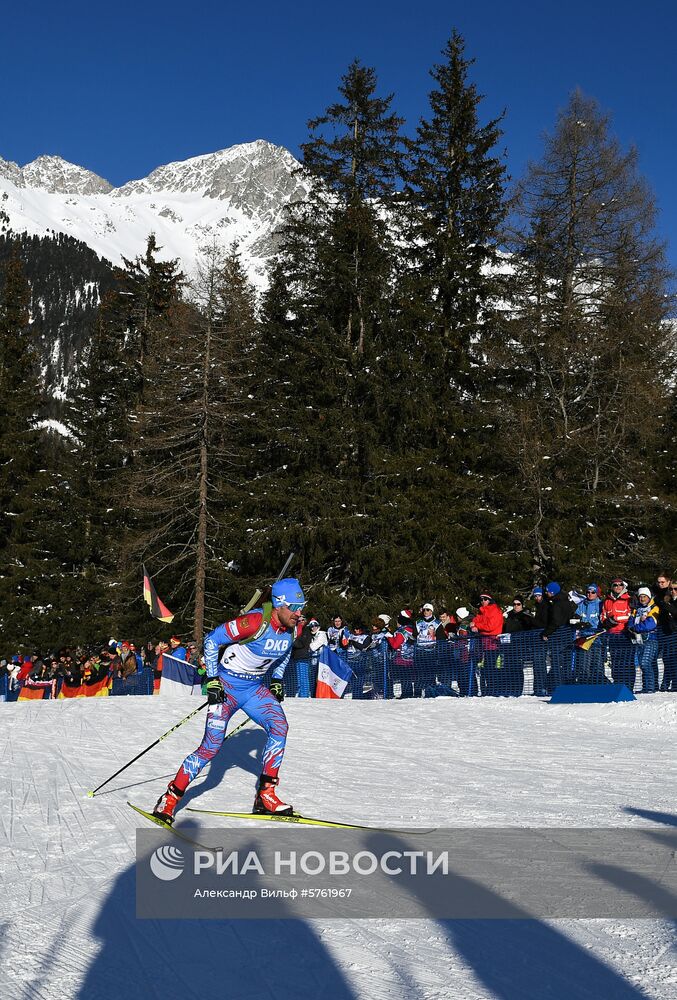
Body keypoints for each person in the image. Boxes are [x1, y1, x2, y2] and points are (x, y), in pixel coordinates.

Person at [152, 578, 306, 825]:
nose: (299, 614)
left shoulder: (293, 627)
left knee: (280, 727)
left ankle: (266, 796)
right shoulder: (255, 621)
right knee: (210, 748)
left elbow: (285, 652)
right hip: (227, 688)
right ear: (279, 604)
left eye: (302, 608)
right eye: (295, 608)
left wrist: (277, 679)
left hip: (253, 689)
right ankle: (170, 798)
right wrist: (212, 679)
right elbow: (213, 640)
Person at [541, 582, 576, 690]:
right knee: (566, 663)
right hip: (568, 635)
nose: (546, 593)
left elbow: (555, 621)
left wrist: (546, 632)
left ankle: (558, 687)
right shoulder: (567, 601)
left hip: (558, 637)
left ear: (552, 592)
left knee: (557, 663)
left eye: (547, 591)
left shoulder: (557, 603)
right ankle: (566, 686)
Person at [601, 578, 635, 691]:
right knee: (615, 662)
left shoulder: (628, 599)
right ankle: (618, 684)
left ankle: (629, 685)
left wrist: (616, 619)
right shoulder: (607, 600)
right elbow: (603, 615)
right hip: (612, 635)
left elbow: (630, 616)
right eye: (615, 585)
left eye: (620, 585)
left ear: (623, 586)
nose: (617, 587)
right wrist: (606, 622)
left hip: (625, 634)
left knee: (626, 661)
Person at [469, 594, 504, 696]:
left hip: (493, 643)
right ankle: (487, 689)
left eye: (485, 599)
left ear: (490, 600)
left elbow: (490, 626)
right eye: (481, 599)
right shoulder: (482, 611)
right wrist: (473, 624)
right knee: (485, 668)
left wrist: (477, 626)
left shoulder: (494, 610)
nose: (482, 601)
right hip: (483, 643)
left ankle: (493, 689)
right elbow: (476, 620)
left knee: (490, 667)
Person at [626, 587, 659, 693]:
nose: (642, 599)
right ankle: (646, 687)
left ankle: (650, 687)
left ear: (649, 597)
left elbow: (650, 624)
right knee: (641, 663)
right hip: (639, 640)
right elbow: (630, 622)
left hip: (651, 640)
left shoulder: (654, 607)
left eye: (644, 596)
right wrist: (633, 626)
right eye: (640, 596)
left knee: (645, 662)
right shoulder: (637, 609)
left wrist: (636, 627)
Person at [502, 598, 534, 696]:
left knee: (517, 667)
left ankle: (517, 690)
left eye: (518, 604)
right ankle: (509, 689)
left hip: (520, 645)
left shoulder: (526, 616)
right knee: (508, 667)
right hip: (509, 645)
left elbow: (530, 629)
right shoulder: (510, 615)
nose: (516, 606)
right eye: (514, 604)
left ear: (522, 605)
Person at [573, 584, 605, 683]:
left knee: (597, 663)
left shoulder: (600, 604)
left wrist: (590, 624)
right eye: (588, 592)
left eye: (593, 592)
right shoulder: (581, 605)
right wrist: (578, 623)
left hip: (596, 639)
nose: (590, 594)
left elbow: (603, 620)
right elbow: (576, 618)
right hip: (584, 639)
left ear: (597, 594)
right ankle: (584, 683)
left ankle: (599, 683)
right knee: (583, 663)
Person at [658, 581, 677, 691]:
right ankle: (665, 684)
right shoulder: (666, 601)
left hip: (675, 634)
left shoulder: (668, 604)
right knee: (668, 660)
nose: (673, 591)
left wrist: (668, 607)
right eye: (671, 589)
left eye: (676, 589)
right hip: (667, 635)